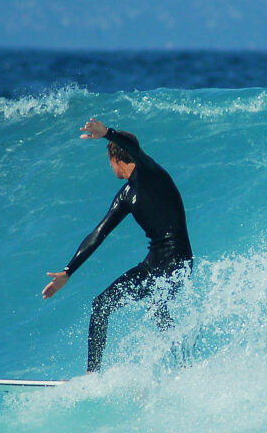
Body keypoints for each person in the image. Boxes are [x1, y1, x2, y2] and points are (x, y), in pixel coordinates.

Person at [42, 118, 193, 373]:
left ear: (114, 158)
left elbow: (135, 149)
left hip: (172, 261)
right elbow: (97, 234)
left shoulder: (149, 172)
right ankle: (183, 366)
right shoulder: (126, 195)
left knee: (144, 307)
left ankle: (94, 375)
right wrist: (68, 271)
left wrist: (107, 133)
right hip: (167, 262)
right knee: (128, 306)